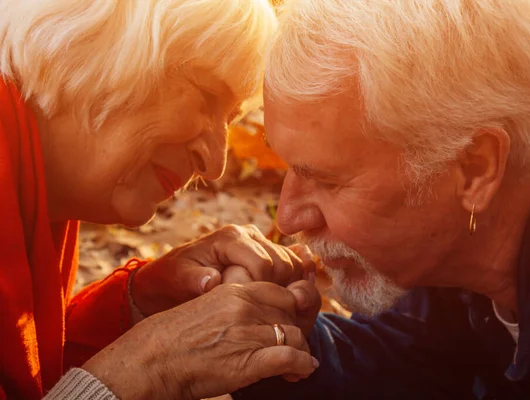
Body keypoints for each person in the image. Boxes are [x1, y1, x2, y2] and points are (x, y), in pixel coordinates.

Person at [233, 0, 530, 399]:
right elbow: (420, 359)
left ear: (476, 168)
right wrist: (270, 340)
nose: (288, 218)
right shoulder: (450, 230)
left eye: (328, 180)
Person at [0, 1, 320, 399]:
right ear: (91, 46)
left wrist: (140, 307)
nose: (214, 163)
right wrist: (151, 368)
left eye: (230, 119)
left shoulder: (35, 183)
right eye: (206, 96)